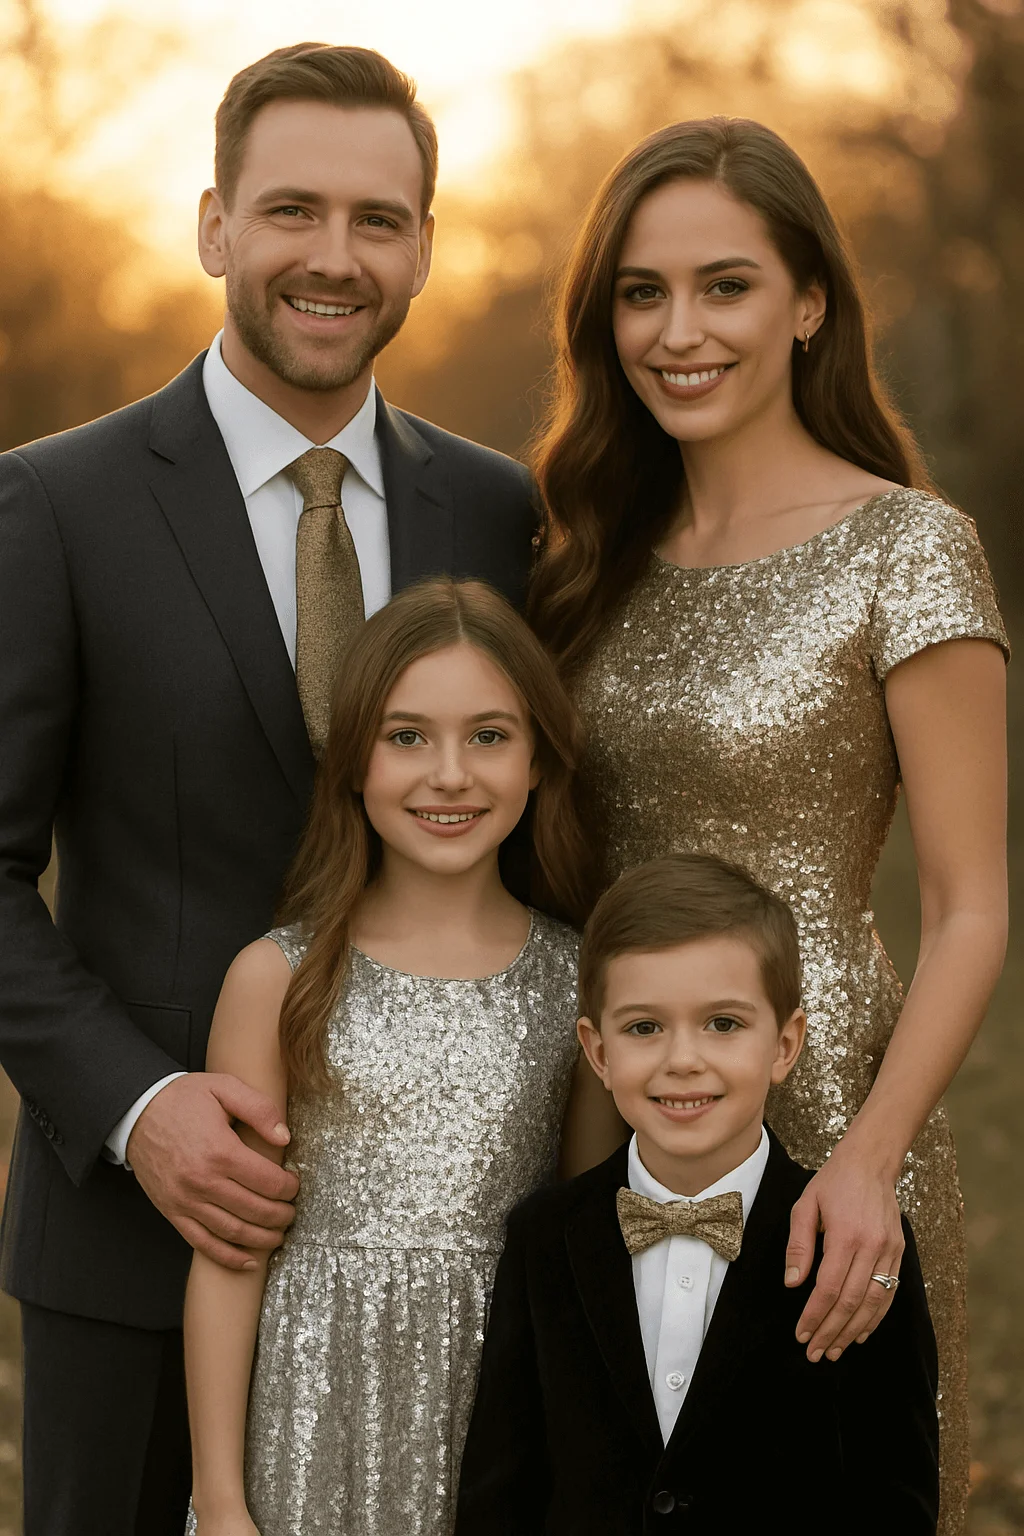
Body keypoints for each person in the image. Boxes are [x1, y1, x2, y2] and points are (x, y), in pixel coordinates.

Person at [0, 44, 539, 1534]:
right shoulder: (56, 503)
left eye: (379, 220)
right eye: (292, 209)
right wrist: (140, 1104)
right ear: (214, 227)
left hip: (448, 1265)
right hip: (138, 1243)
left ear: (425, 243)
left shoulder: (495, 511)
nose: (334, 257)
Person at [526, 117, 1007, 1534]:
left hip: (827, 1096)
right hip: (606, 1084)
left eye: (724, 285)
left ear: (808, 303)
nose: (678, 330)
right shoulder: (582, 556)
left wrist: (868, 1158)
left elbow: (974, 904)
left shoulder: (907, 546)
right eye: (640, 291)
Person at [183, 578, 585, 1536]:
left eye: (489, 736)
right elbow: (230, 1258)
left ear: (537, 761)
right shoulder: (275, 977)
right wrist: (221, 1500)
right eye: (407, 737)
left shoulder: (578, 982)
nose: (450, 775)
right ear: (354, 759)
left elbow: (588, 1247)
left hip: (502, 1417)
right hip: (311, 1415)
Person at [455, 853, 940, 1535]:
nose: (683, 1059)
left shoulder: (856, 1245)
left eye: (723, 1024)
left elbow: (897, 1501)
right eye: (644, 1027)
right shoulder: (546, 1236)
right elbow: (501, 1493)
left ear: (785, 1043)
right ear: (598, 1053)